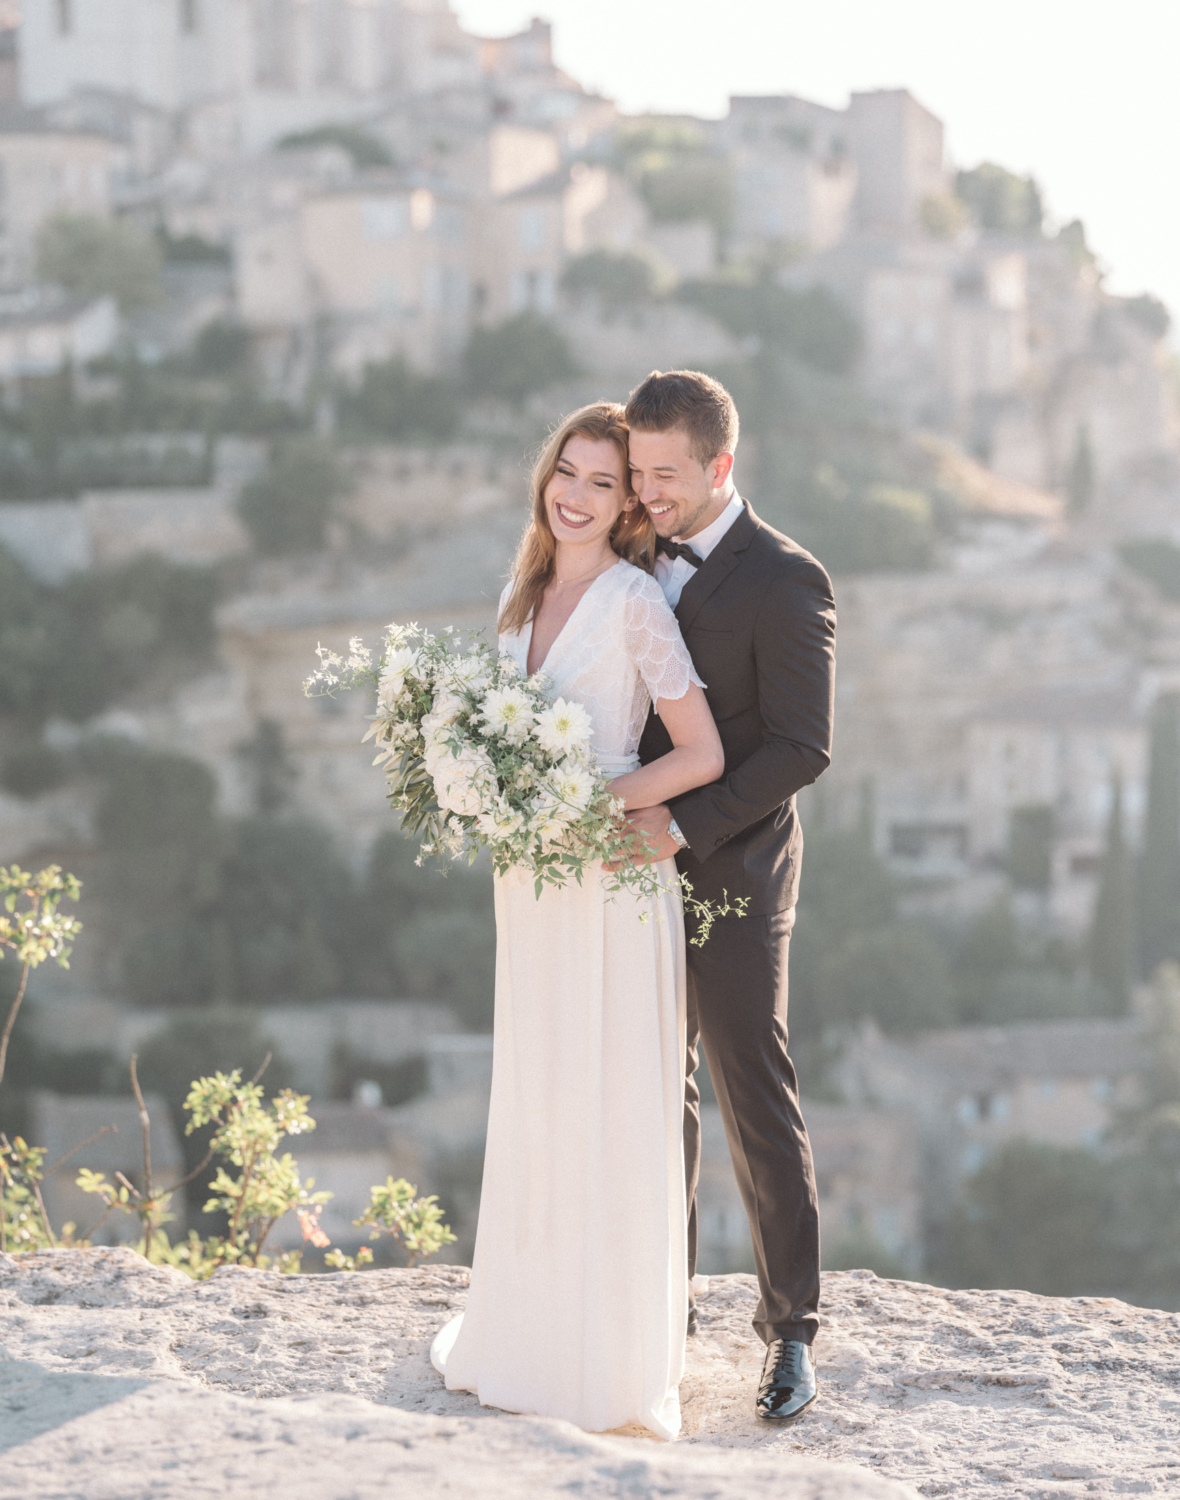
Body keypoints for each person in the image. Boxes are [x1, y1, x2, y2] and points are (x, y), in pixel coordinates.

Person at [430, 402, 724, 1440]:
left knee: (604, 1093)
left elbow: (701, 754)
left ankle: (603, 1361)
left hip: (606, 869)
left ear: (625, 502)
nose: (580, 495)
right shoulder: (519, 601)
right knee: (540, 1090)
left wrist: (607, 804)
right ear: (545, 475)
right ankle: (526, 1327)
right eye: (570, 470)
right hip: (531, 879)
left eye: (606, 482)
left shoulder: (635, 600)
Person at [625, 369, 836, 1424]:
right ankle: (651, 1315)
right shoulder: (626, 546)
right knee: (651, 1086)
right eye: (635, 471)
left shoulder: (787, 579)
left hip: (735, 863)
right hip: (619, 864)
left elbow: (803, 745)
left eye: (664, 475)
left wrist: (684, 826)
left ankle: (790, 1333)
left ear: (720, 466)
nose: (644, 491)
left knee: (752, 1083)